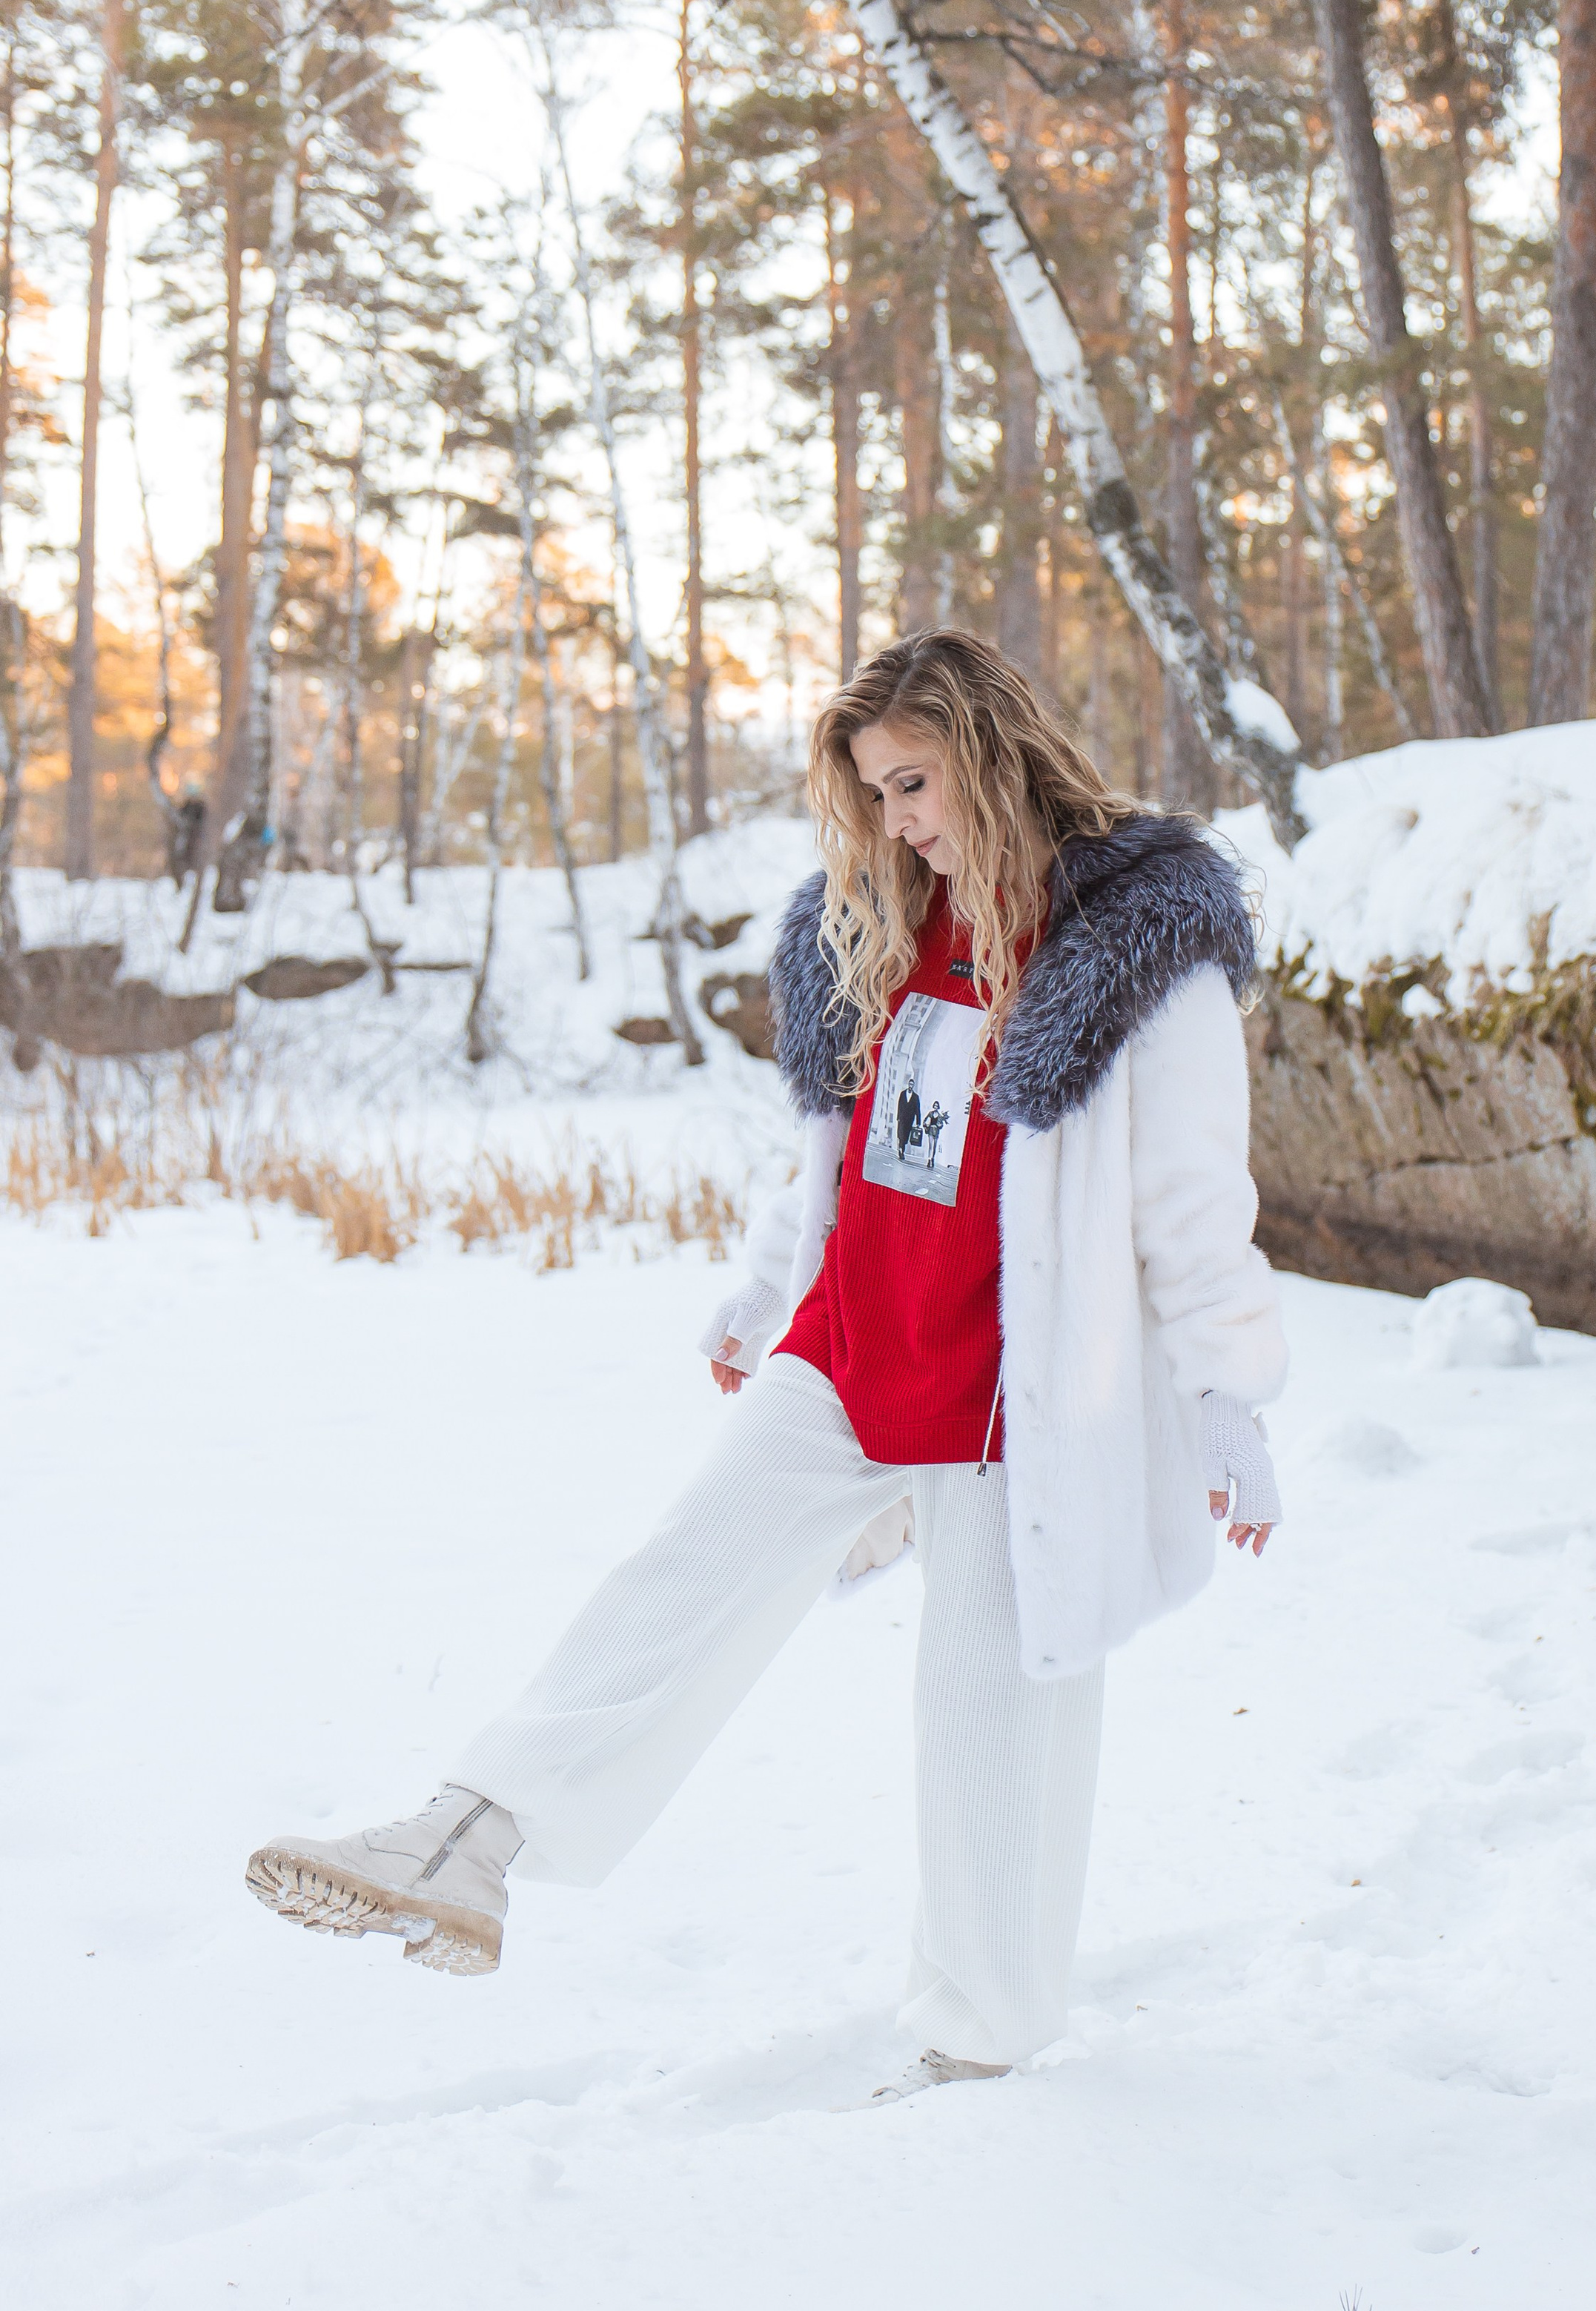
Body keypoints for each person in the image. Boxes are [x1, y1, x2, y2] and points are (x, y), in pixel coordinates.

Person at [246, 630, 1288, 2086]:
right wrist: (760, 1292)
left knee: (986, 1712)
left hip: (1009, 1392)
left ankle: (980, 2041)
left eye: (913, 783)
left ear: (988, 753)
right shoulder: (872, 921)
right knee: (674, 1576)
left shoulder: (1133, 933)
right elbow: (843, 1145)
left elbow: (1190, 1189)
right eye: (871, 795)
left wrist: (1224, 1385)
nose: (895, 820)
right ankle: (467, 1837)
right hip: (849, 1346)